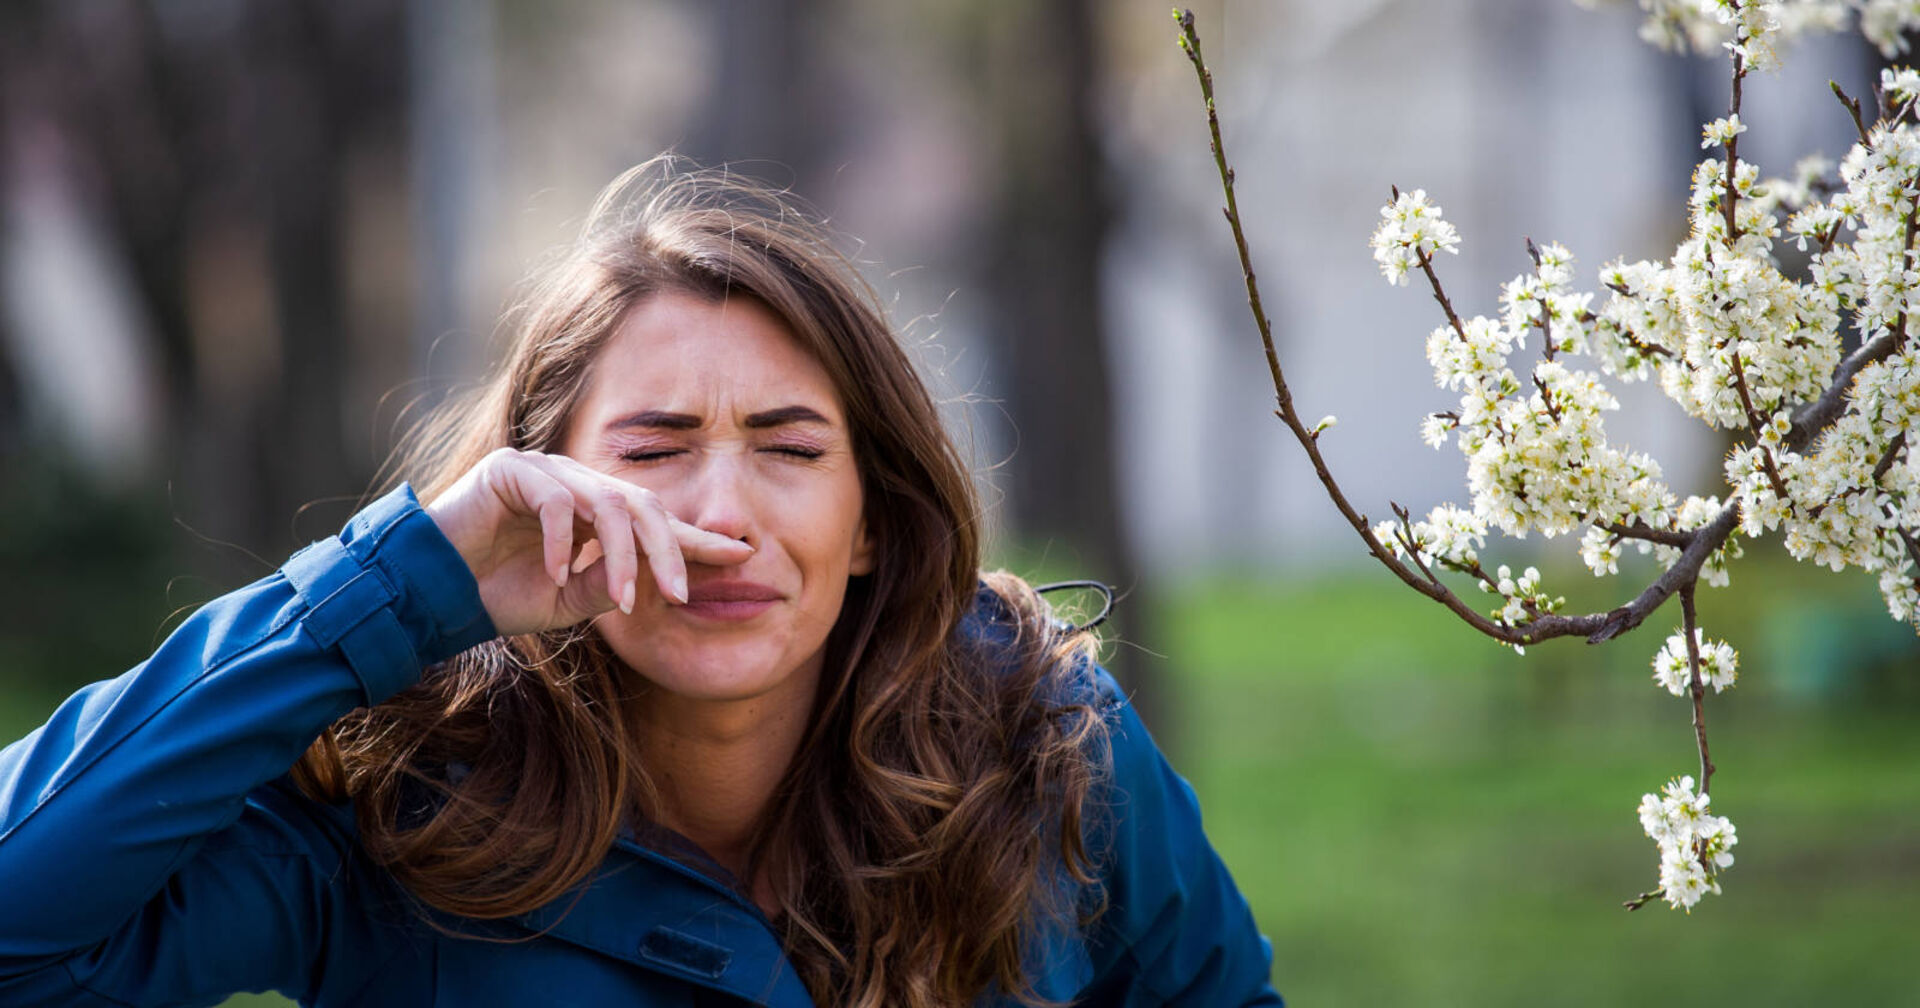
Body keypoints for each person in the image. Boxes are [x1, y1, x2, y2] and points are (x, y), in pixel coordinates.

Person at [0, 158, 1281, 1007]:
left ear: (874, 523)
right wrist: (396, 589)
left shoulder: (1043, 744)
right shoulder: (400, 802)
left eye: (788, 450)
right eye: (652, 450)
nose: (718, 517)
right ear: (535, 495)